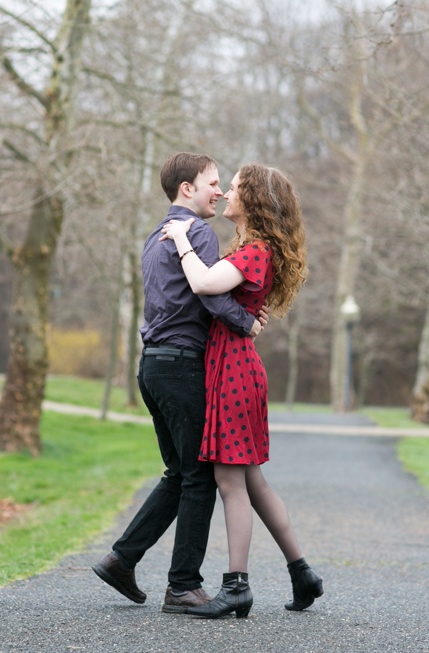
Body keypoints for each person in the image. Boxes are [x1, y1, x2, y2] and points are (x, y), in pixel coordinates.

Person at [92, 152, 265, 614]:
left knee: (179, 473)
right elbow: (209, 293)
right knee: (199, 476)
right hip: (183, 366)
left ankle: (121, 560)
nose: (221, 191)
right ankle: (183, 585)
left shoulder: (157, 236)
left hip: (153, 367)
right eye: (212, 182)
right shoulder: (197, 232)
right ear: (187, 189)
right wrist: (246, 321)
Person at [159, 163, 322, 619]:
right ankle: (302, 571)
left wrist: (184, 241)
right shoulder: (253, 248)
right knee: (251, 479)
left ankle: (236, 586)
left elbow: (205, 283)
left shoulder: (255, 251)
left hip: (233, 372)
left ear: (254, 201)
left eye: (233, 188)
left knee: (230, 482)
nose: (226, 193)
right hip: (235, 367)